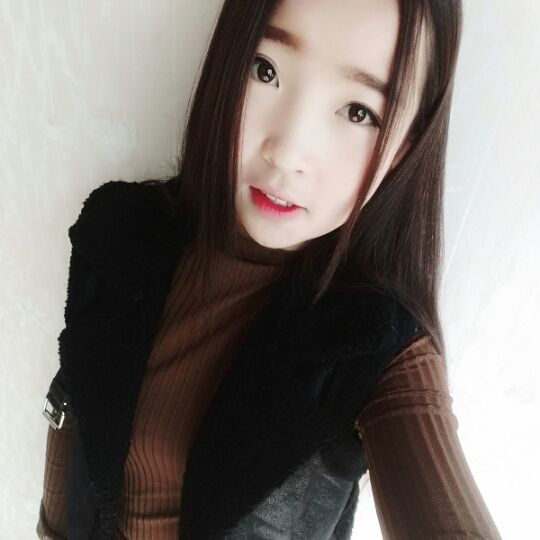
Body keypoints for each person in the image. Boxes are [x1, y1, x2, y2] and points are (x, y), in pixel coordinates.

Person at [37, 0, 503, 539]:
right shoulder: (121, 235)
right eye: (266, 70)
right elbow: (71, 430)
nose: (287, 153)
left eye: (358, 111)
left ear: (404, 147)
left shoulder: (373, 346)